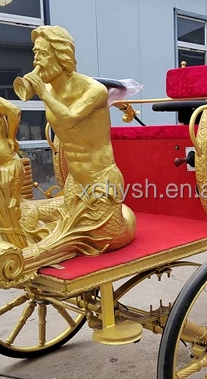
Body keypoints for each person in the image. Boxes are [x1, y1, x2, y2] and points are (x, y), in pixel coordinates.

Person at [15, 25, 136, 251]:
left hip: (101, 181)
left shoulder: (94, 90)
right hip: (75, 181)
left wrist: (42, 92)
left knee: (95, 240)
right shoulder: (51, 90)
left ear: (61, 55)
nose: (36, 62)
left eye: (42, 54)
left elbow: (70, 118)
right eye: (35, 55)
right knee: (28, 216)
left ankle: (41, 247)